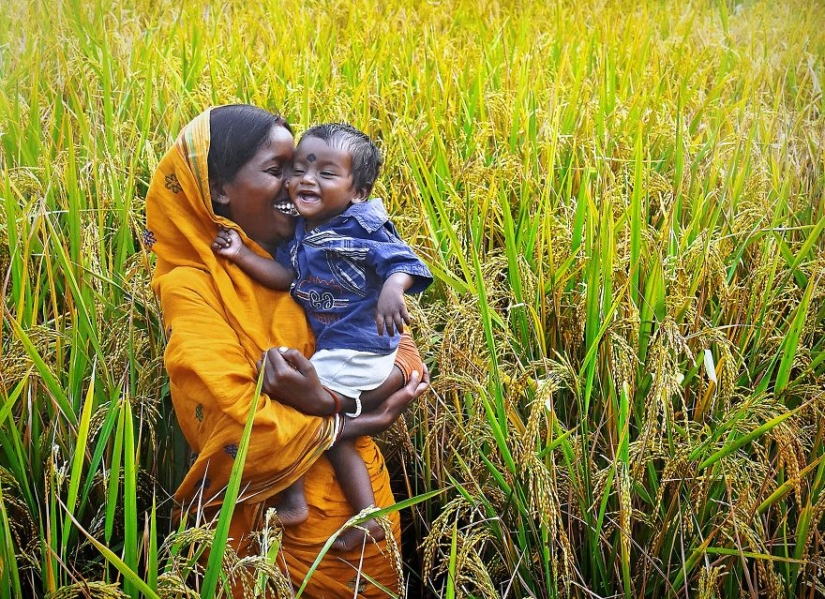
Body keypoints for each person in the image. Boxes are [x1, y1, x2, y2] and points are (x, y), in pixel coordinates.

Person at [144, 105, 429, 598]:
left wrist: (336, 404)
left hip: (368, 526)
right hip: (277, 546)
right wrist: (351, 422)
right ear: (219, 190)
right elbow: (236, 422)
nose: (296, 186)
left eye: (303, 169)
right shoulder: (192, 286)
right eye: (280, 171)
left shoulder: (319, 247)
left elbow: (403, 359)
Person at [211, 122, 433, 551]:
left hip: (358, 348)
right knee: (331, 432)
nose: (305, 180)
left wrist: (392, 289)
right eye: (297, 168)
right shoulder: (300, 234)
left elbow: (405, 262)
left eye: (326, 174)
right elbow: (286, 278)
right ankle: (365, 515)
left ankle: (294, 495)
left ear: (358, 192)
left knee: (283, 397)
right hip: (343, 350)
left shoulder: (362, 225)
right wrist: (239, 254)